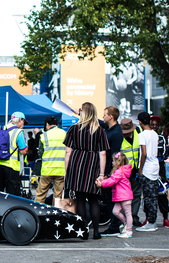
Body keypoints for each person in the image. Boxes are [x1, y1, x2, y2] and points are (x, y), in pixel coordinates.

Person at [64, 102, 109, 240]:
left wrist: (67, 171)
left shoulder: (73, 129)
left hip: (77, 164)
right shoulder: (99, 130)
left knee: (80, 200)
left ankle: (83, 232)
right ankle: (96, 231)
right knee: (94, 199)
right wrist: (101, 175)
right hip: (93, 165)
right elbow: (103, 154)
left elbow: (68, 152)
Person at [0, 112, 29, 197]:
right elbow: (23, 151)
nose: (24, 125)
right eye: (24, 122)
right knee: (13, 196)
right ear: (20, 120)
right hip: (11, 167)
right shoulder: (19, 132)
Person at [96, 152, 134, 238]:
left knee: (128, 213)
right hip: (121, 196)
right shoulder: (121, 171)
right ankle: (126, 223)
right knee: (115, 212)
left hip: (124, 196)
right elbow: (112, 179)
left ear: (117, 162)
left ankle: (129, 231)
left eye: (113, 161)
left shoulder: (119, 171)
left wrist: (101, 184)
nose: (112, 163)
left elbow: (112, 181)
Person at [100, 106, 125, 236]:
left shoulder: (116, 133)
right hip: (107, 170)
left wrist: (108, 174)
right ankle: (115, 223)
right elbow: (98, 122)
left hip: (110, 171)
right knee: (108, 198)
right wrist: (81, 113)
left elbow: (115, 156)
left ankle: (115, 225)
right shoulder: (108, 128)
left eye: (105, 114)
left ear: (111, 116)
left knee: (112, 199)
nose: (103, 116)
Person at [135, 112, 159, 232]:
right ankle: (152, 220)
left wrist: (140, 169)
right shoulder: (155, 134)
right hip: (155, 166)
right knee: (153, 196)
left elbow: (144, 153)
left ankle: (150, 222)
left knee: (148, 197)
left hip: (147, 168)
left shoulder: (142, 135)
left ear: (140, 122)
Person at [34, 116, 66, 204]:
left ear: (47, 124)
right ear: (57, 124)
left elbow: (40, 153)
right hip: (61, 170)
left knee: (40, 195)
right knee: (57, 197)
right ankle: (55, 216)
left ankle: (37, 214)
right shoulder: (64, 133)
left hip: (47, 169)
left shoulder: (44, 135)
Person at [150, 116, 169, 228]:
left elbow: (166, 153)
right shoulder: (145, 137)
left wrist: (156, 159)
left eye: (156, 125)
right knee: (149, 195)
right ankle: (149, 219)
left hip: (160, 168)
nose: (154, 127)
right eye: (152, 124)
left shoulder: (162, 138)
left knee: (162, 193)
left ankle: (165, 218)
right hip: (149, 169)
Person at [119, 118, 143, 226]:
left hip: (136, 170)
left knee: (137, 194)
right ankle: (125, 219)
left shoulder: (138, 131)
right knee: (124, 196)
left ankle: (134, 217)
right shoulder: (118, 136)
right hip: (124, 172)